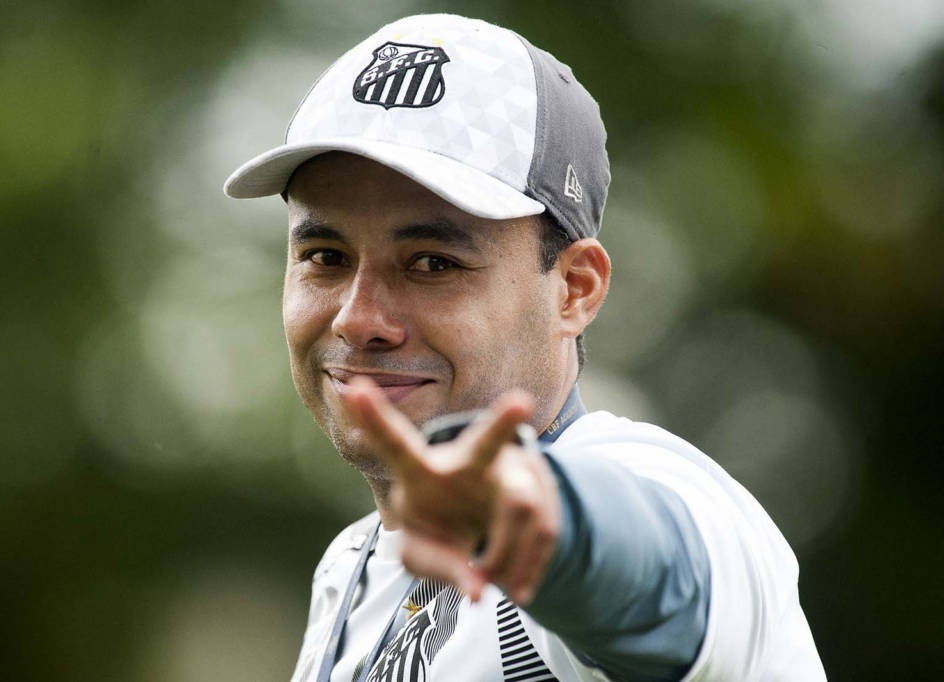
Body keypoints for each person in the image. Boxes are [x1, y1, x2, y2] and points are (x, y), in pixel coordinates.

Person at [224, 13, 825, 682]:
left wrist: (556, 525)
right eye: (325, 255)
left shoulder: (653, 491)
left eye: (433, 263)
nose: (358, 318)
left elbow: (661, 576)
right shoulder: (349, 570)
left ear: (574, 289)